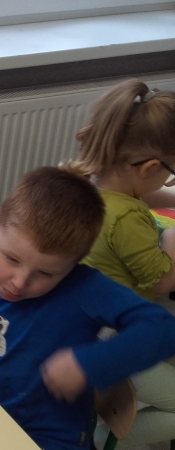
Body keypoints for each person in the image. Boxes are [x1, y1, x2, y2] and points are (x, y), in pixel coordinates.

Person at [0, 166, 175, 450]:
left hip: (50, 440)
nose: (20, 282)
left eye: (46, 273)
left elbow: (162, 328)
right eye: (12, 259)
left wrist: (88, 363)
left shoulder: (84, 288)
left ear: (74, 263)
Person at [68, 79, 175, 449]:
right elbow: (161, 281)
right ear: (149, 167)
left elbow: (140, 193)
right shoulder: (128, 218)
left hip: (79, 325)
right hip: (116, 338)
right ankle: (103, 442)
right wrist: (171, 239)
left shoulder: (86, 182)